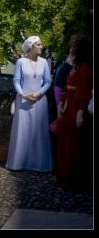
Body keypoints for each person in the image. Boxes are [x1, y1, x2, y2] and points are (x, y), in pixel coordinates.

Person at [6, 35, 53, 172]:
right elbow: (16, 80)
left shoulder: (44, 62)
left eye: (40, 44)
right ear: (31, 47)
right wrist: (22, 94)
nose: (41, 47)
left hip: (39, 101)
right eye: (38, 45)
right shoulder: (21, 62)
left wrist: (40, 93)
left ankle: (39, 164)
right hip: (23, 100)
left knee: (39, 132)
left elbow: (48, 81)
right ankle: (18, 163)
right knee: (22, 131)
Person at [54, 34, 93, 190]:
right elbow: (66, 88)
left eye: (73, 47)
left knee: (74, 144)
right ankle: (64, 177)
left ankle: (73, 179)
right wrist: (61, 103)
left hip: (76, 108)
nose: (70, 50)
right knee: (65, 143)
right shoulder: (74, 68)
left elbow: (84, 92)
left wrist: (79, 112)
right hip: (68, 107)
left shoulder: (85, 69)